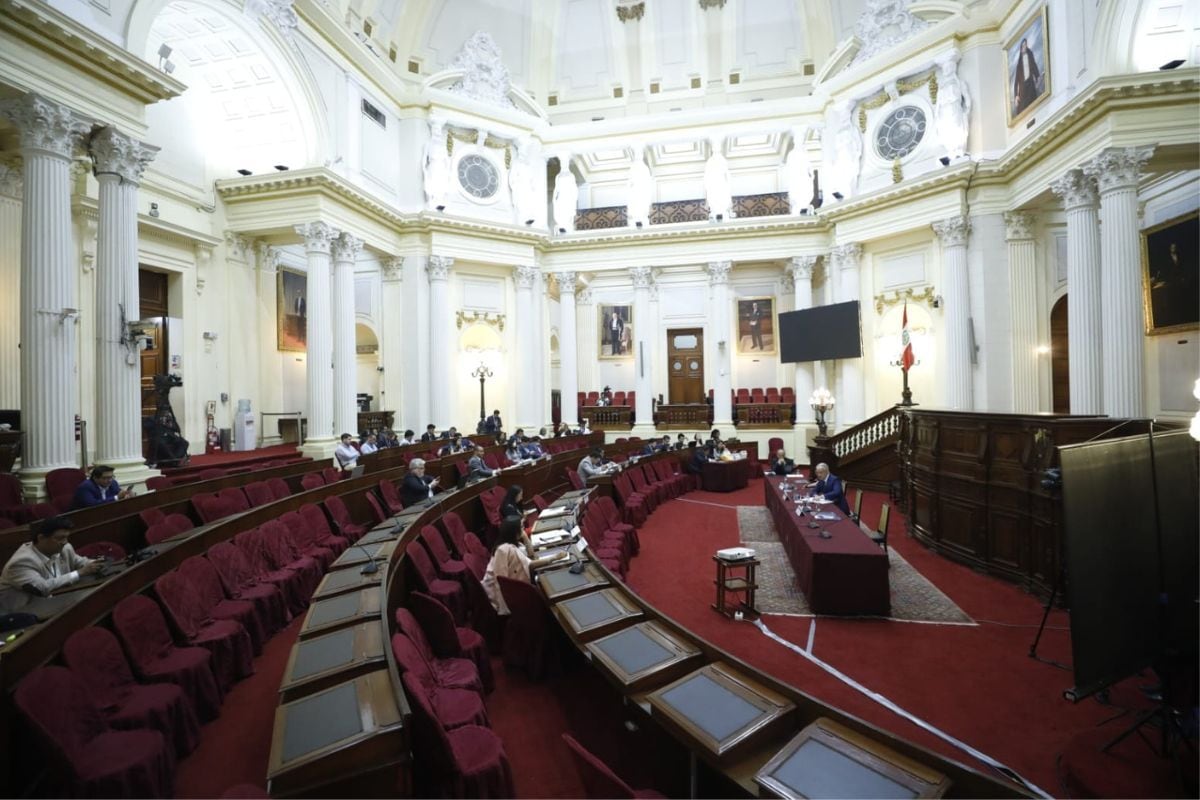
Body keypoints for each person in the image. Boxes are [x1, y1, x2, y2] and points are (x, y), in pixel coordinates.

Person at [0, 517, 103, 613]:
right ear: (41, 538)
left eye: (66, 537)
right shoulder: (22, 562)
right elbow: (41, 588)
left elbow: (79, 561)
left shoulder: (64, 548)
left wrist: (96, 563)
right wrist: (79, 573)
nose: (64, 542)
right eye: (60, 538)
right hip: (24, 613)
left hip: (56, 602)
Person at [482, 516, 568, 615]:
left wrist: (526, 537)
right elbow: (500, 579)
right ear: (514, 531)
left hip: (513, 585)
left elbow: (531, 556)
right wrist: (554, 558)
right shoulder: (503, 549)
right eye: (521, 527)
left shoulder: (515, 543)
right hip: (498, 593)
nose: (523, 530)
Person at [1013, 38, 1042, 116]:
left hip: (1030, 85)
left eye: (1025, 45)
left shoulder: (1030, 55)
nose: (1024, 47)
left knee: (1034, 108)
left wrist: (1038, 77)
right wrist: (1016, 96)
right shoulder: (1019, 64)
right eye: (1022, 46)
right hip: (1022, 90)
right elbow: (1016, 82)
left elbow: (1034, 66)